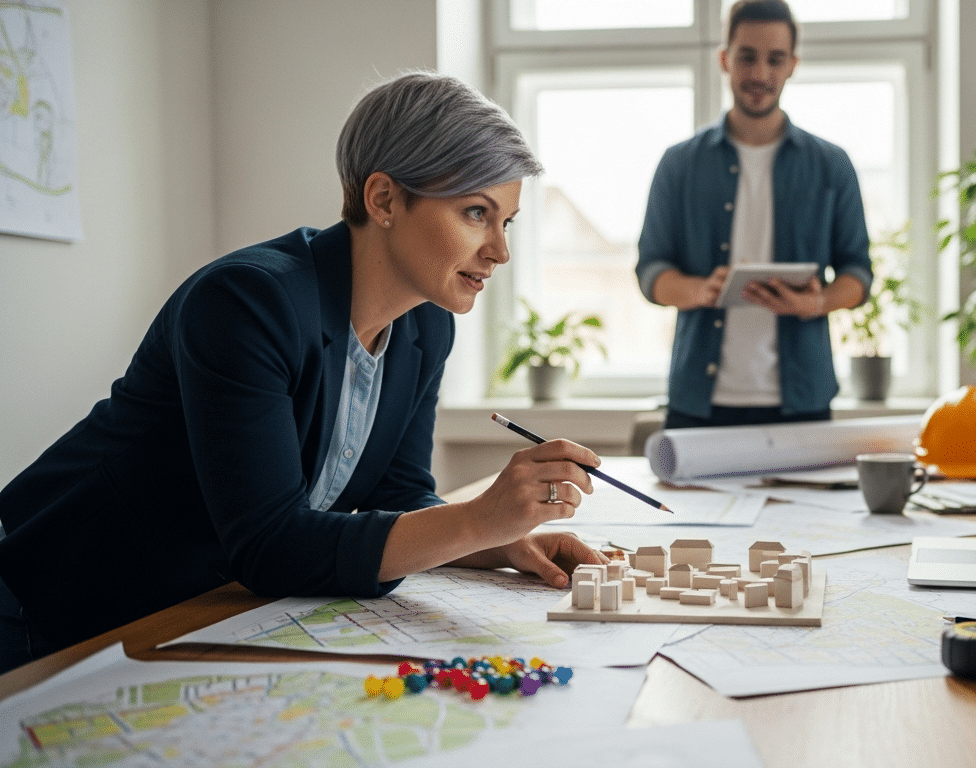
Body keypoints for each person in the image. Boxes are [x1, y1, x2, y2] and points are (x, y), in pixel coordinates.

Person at [0, 72, 608, 673]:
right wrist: (476, 518)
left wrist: (496, 543)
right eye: (476, 212)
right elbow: (269, 546)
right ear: (384, 199)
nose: (499, 249)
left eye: (508, 222)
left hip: (180, 614)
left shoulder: (426, 326)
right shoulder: (245, 301)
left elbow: (396, 494)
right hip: (50, 604)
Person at [636, 0, 872, 430]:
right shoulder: (678, 164)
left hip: (803, 402)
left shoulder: (832, 165)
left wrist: (817, 302)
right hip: (698, 403)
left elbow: (858, 273)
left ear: (793, 65)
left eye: (775, 59)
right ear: (725, 59)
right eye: (747, 57)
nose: (760, 74)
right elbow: (651, 271)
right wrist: (699, 290)